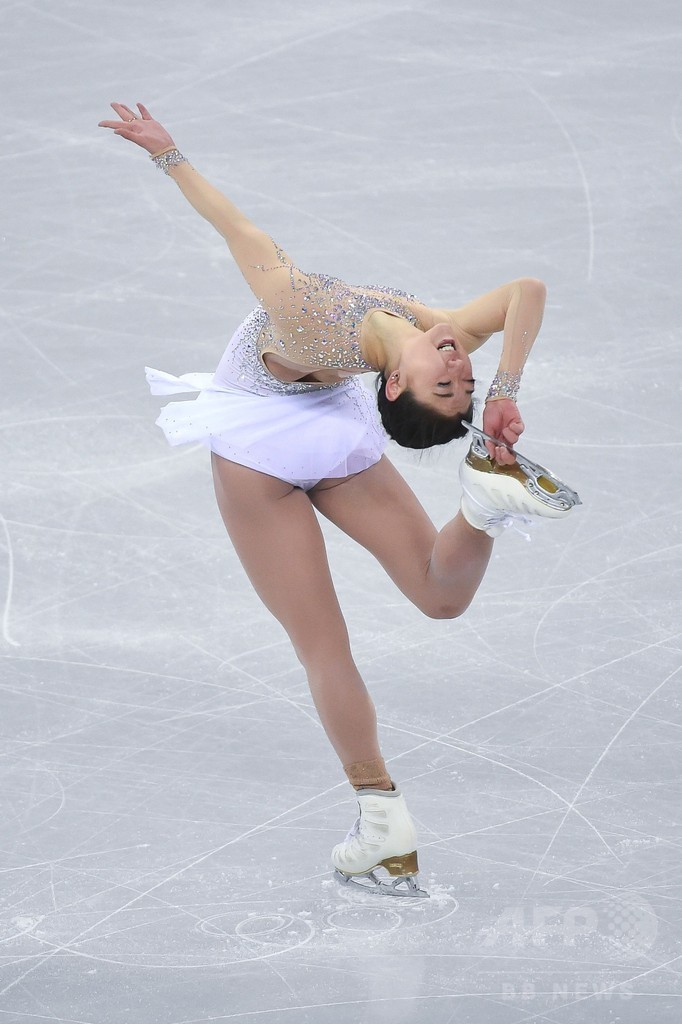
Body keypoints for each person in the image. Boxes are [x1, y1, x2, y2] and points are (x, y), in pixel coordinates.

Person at [98, 102, 581, 897]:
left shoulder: (325, 315)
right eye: (459, 381)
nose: (458, 367)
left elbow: (241, 231)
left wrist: (168, 153)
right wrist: (502, 394)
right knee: (389, 614)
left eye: (448, 384)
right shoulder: (411, 329)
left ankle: (382, 825)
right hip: (310, 434)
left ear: (393, 385)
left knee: (368, 626)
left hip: (266, 444)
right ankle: (480, 509)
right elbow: (524, 292)